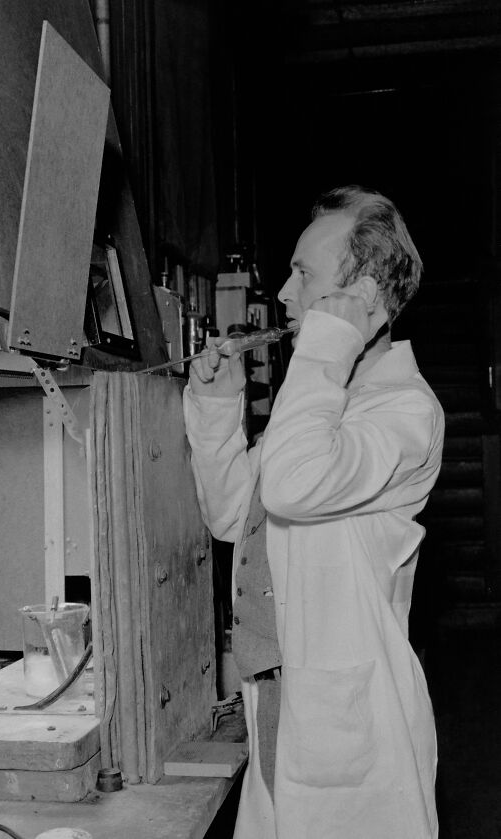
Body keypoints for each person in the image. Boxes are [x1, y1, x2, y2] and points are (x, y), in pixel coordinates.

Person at [183, 185, 444, 839]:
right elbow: (231, 516)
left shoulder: (405, 411)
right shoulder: (322, 398)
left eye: (303, 273)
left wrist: (328, 341)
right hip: (277, 702)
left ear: (364, 296)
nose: (283, 294)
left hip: (348, 727)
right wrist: (218, 408)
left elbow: (294, 486)